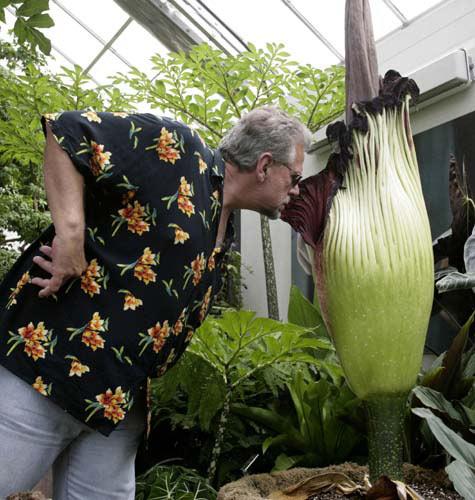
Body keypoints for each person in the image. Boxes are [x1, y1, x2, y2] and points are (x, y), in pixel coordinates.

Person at [0, 106, 310, 499]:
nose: (296, 189)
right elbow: (68, 130)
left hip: (115, 408)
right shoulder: (180, 149)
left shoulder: (223, 223)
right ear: (265, 165)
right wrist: (72, 236)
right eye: (294, 177)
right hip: (48, 370)